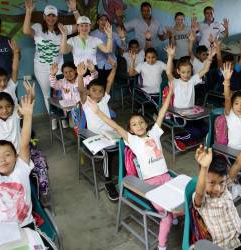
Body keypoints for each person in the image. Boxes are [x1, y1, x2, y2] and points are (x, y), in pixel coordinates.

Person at [86, 82, 178, 250]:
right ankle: (162, 246)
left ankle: (173, 212)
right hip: (151, 183)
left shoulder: (154, 134)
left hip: (166, 177)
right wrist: (98, 112)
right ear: (131, 130)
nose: (139, 125)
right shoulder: (132, 140)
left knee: (185, 201)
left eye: (141, 122)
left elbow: (162, 113)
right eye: (134, 124)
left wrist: (169, 94)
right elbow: (114, 125)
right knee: (167, 215)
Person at [0, 94, 56, 249]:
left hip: (27, 227)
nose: (3, 159)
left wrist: (27, 116)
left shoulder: (21, 169)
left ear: (16, 157)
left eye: (8, 154)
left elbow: (24, 143)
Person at [193, 123, 241, 250]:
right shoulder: (201, 199)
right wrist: (204, 167)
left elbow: (238, 164)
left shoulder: (226, 185)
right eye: (212, 183)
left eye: (221, 182)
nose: (218, 189)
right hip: (226, 246)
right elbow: (200, 192)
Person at [23, 0, 78, 113]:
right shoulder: (38, 28)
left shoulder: (62, 28)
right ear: (44, 16)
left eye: (54, 16)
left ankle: (65, 117)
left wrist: (75, 10)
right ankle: (53, 117)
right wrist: (28, 12)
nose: (51, 18)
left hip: (58, 68)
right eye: (49, 16)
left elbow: (79, 26)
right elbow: (26, 30)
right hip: (41, 69)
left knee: (63, 92)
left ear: (57, 17)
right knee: (47, 94)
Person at [78, 60, 119, 200]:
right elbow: (80, 90)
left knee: (127, 144)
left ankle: (126, 173)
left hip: (111, 135)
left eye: (100, 91)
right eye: (94, 90)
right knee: (108, 152)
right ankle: (108, 182)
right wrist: (80, 76)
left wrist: (114, 67)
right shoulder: (86, 102)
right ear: (89, 92)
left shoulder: (104, 100)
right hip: (95, 137)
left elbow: (109, 82)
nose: (97, 93)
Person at [165, 44, 215, 150]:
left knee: (207, 129)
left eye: (188, 72)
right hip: (180, 116)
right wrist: (170, 56)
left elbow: (205, 70)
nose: (186, 74)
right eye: (183, 72)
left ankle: (200, 139)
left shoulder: (192, 80)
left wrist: (209, 58)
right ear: (178, 72)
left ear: (191, 71)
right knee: (197, 133)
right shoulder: (176, 82)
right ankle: (178, 138)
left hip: (192, 114)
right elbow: (168, 72)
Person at [50, 60, 98, 129]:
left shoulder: (82, 79)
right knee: (74, 125)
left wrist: (93, 70)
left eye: (70, 71)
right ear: (63, 74)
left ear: (75, 70)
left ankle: (86, 128)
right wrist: (53, 75)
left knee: (90, 119)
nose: (68, 74)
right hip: (69, 110)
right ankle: (80, 130)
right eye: (65, 72)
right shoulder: (62, 82)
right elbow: (53, 85)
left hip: (84, 107)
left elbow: (94, 80)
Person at [91, 13, 127, 80]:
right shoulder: (92, 34)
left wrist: (123, 38)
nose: (103, 22)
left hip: (111, 65)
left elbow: (124, 48)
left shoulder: (114, 34)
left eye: (106, 20)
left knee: (108, 88)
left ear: (108, 22)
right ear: (97, 21)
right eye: (101, 19)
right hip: (96, 65)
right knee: (97, 87)